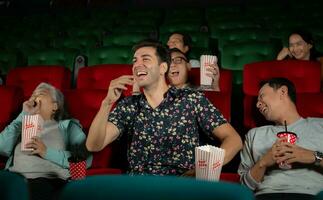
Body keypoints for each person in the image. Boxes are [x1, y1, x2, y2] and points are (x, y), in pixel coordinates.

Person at [86, 40, 242, 176]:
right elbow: (94, 145)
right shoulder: (128, 105)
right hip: (140, 187)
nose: (137, 65)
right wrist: (106, 103)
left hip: (181, 186)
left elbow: (234, 140)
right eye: (134, 61)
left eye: (145, 59)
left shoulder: (191, 99)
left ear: (163, 68)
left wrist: (202, 169)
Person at [0, 82, 92, 200]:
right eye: (33, 94)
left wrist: (46, 152)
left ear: (55, 106)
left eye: (41, 93)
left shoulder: (67, 126)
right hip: (13, 177)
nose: (35, 97)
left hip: (46, 179)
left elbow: (85, 158)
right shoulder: (22, 123)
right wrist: (23, 115)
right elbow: (2, 148)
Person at [238, 77, 323, 200]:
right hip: (266, 196)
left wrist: (314, 156)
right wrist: (263, 162)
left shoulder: (320, 125)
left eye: (261, 96)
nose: (257, 104)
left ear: (283, 92)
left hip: (312, 195)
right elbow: (243, 188)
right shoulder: (254, 134)